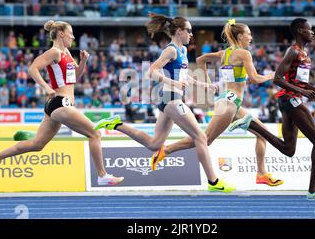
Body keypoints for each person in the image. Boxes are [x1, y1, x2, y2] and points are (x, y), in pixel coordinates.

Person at [95, 13, 235, 192]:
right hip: (171, 99)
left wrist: (204, 85)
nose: (192, 35)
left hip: (170, 100)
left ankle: (116, 124)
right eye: (189, 31)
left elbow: (184, 77)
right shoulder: (171, 50)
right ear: (178, 31)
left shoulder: (183, 51)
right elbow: (151, 71)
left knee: (154, 144)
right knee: (201, 137)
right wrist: (173, 83)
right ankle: (214, 183)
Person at [0, 20, 124, 186]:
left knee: (37, 144)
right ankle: (102, 175)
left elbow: (75, 78)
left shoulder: (67, 53)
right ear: (61, 33)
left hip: (57, 106)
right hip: (60, 103)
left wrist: (83, 62)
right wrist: (46, 87)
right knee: (95, 133)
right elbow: (32, 68)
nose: (73, 37)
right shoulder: (54, 52)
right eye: (71, 33)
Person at [150, 19, 284, 187]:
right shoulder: (244, 54)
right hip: (229, 104)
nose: (251, 37)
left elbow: (200, 59)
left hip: (229, 101)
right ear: (240, 36)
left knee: (262, 134)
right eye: (249, 34)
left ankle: (262, 174)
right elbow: (255, 78)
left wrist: (206, 81)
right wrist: (271, 76)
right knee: (204, 140)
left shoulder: (225, 53)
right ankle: (165, 150)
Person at [232, 18, 315, 200]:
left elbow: (299, 81)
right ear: (299, 31)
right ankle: (313, 190)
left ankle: (252, 125)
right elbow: (278, 79)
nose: (312, 33)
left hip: (291, 100)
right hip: (291, 100)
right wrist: (302, 92)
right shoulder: (293, 51)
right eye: (309, 30)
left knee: (289, 150)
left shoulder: (303, 53)